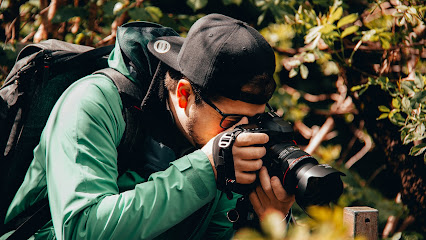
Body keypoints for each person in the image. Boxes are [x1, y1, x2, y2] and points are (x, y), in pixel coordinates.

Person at [3, 13, 295, 239]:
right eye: (232, 121)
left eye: (254, 120)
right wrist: (206, 168)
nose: (241, 134)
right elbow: (81, 229)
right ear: (184, 94)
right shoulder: (93, 102)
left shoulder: (215, 140)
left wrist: (272, 221)